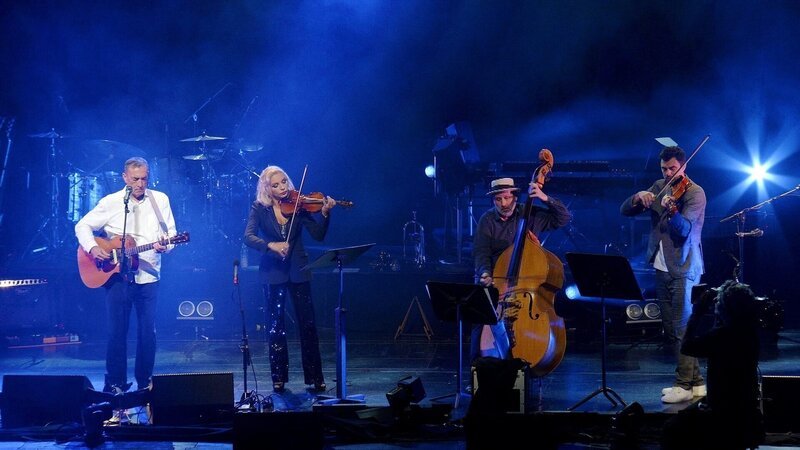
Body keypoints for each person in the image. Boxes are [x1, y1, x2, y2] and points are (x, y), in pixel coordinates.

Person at [75, 156, 177, 396]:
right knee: (116, 332)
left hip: (149, 276)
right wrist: (93, 248)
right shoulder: (111, 202)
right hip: (117, 277)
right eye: (135, 179)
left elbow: (170, 233)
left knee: (147, 332)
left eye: (144, 178)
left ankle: (144, 382)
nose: (141, 184)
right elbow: (82, 226)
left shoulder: (160, 200)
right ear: (125, 178)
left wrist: (167, 245)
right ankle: (115, 383)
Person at [620, 145, 706, 403]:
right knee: (671, 328)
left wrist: (673, 210)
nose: (668, 174)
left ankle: (683, 384)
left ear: (683, 165)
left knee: (681, 328)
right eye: (664, 169)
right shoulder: (659, 186)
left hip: (684, 267)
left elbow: (683, 231)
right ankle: (697, 383)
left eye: (672, 168)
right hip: (661, 265)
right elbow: (625, 210)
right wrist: (638, 197)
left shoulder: (695, 193)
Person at [243, 165, 335, 393]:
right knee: (276, 327)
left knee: (308, 325)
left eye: (284, 182)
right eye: (275, 185)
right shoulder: (259, 208)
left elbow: (319, 235)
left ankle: (315, 376)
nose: (282, 188)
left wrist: (325, 213)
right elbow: (248, 236)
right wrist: (270, 245)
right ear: (267, 189)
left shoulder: (300, 206)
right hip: (272, 272)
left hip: (299, 270)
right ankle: (278, 377)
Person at [471, 176, 571, 361]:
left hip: (526, 283)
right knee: (480, 319)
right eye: (498, 199)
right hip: (496, 279)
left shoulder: (529, 213)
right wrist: (485, 272)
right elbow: (480, 251)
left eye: (507, 198)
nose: (504, 203)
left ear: (515, 197)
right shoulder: (487, 219)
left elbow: (564, 218)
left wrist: (544, 197)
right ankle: (477, 370)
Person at [662, 280, 764, 449]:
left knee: (671, 429)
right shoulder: (750, 334)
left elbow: (686, 346)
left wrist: (697, 313)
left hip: (722, 416)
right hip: (747, 416)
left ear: (725, 308)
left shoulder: (721, 337)